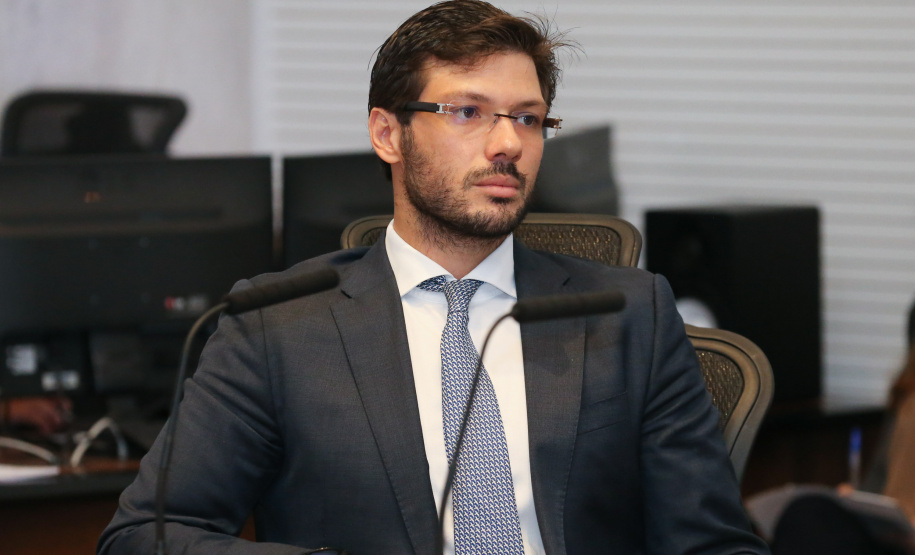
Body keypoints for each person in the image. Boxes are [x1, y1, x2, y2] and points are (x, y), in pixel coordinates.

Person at [98, 2, 768, 553]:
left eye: (528, 118)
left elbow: (712, 543)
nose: (507, 143)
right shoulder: (277, 326)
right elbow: (145, 536)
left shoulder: (627, 314)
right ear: (387, 135)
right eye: (467, 112)